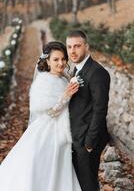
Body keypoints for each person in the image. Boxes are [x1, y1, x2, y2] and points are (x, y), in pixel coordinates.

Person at [0, 41, 82, 191]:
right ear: (47, 61)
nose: (61, 63)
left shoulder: (64, 78)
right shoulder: (43, 81)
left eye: (63, 59)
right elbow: (49, 112)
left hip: (64, 128)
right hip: (48, 131)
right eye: (56, 60)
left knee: (60, 167)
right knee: (41, 166)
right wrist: (66, 96)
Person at [66, 30, 110, 191]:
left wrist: (89, 143)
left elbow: (100, 109)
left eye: (77, 46)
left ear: (86, 47)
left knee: (88, 185)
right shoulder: (76, 70)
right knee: (80, 183)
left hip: (87, 140)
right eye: (69, 46)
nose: (72, 50)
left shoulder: (97, 72)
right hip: (76, 136)